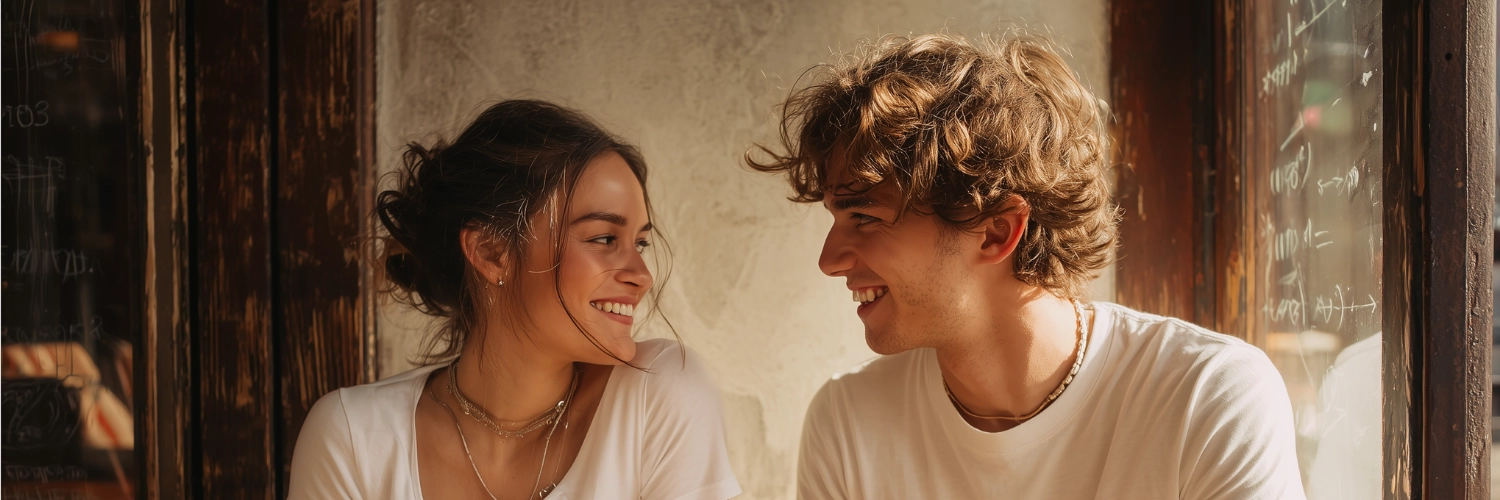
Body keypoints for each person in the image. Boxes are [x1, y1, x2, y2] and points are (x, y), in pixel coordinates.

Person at [748, 33, 1306, 499]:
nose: (829, 261)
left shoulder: (1207, 397)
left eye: (864, 217)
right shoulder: (848, 423)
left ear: (996, 231)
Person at [289, 99, 742, 499]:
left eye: (640, 243)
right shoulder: (353, 438)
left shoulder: (656, 395)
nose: (642, 276)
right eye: (604, 238)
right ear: (492, 253)